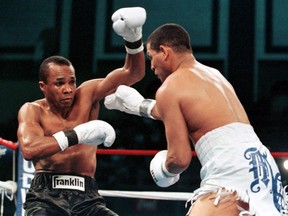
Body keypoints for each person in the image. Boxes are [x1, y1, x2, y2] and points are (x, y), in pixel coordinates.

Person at [104, 23, 288, 215]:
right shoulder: (214, 75)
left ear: (165, 52)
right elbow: (193, 112)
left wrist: (164, 170)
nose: (151, 66)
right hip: (263, 168)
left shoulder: (170, 87)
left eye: (151, 57)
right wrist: (139, 106)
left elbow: (179, 159)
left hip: (230, 174)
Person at [17, 7, 146, 216]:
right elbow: (30, 149)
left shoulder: (88, 94)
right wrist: (77, 135)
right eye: (59, 83)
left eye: (71, 81)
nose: (68, 89)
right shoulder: (32, 110)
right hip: (45, 197)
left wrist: (133, 39)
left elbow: (134, 73)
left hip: (88, 198)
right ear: (43, 86)